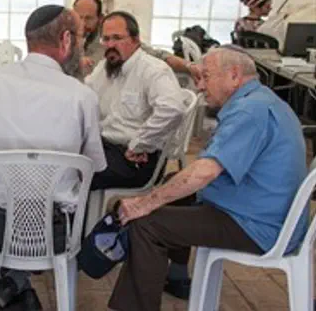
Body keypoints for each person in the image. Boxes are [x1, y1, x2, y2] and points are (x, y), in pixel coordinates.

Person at [109, 46, 308, 311]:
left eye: (206, 76)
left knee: (147, 223)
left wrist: (144, 203)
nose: (200, 86)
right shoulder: (261, 100)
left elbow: (205, 171)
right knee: (174, 181)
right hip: (265, 212)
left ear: (234, 76)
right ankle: (177, 276)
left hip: (258, 226)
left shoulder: (249, 112)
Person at [0, 4, 108, 311]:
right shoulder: (82, 96)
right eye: (81, 39)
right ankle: (20, 283)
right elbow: (94, 165)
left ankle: (9, 283)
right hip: (54, 231)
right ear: (67, 40)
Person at [85, 11, 186, 190]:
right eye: (106, 39)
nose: (110, 45)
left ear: (135, 40)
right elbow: (85, 98)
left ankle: (77, 217)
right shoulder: (104, 68)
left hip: (137, 158)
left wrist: (140, 144)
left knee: (75, 171)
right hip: (107, 147)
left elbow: (172, 109)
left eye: (117, 38)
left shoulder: (153, 70)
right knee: (63, 159)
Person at [73, 0, 200, 79]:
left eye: (88, 18)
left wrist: (190, 67)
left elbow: (159, 56)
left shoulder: (112, 40)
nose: (82, 23)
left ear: (100, 18)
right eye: (79, 17)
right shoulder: (64, 39)